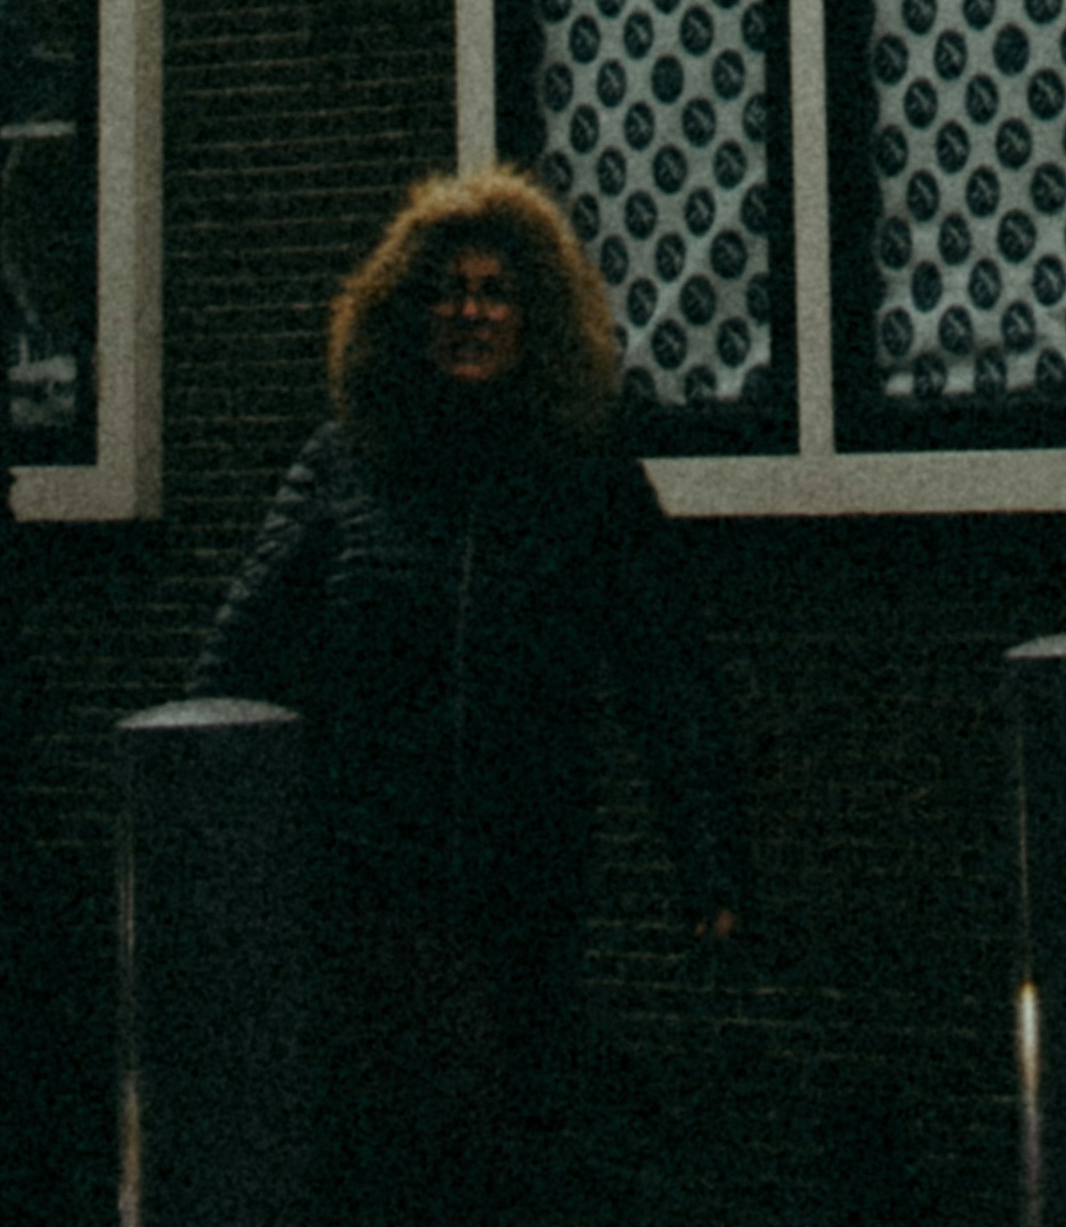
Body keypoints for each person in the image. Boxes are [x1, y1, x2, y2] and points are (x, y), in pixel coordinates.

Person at [195, 167, 745, 1227]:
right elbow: (240, 654)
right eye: (447, 291)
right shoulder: (347, 465)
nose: (471, 312)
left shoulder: (586, 474)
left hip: (524, 882)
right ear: (407, 316)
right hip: (371, 884)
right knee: (395, 1148)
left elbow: (666, 672)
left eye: (496, 292)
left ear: (534, 318)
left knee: (499, 1141)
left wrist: (709, 857)